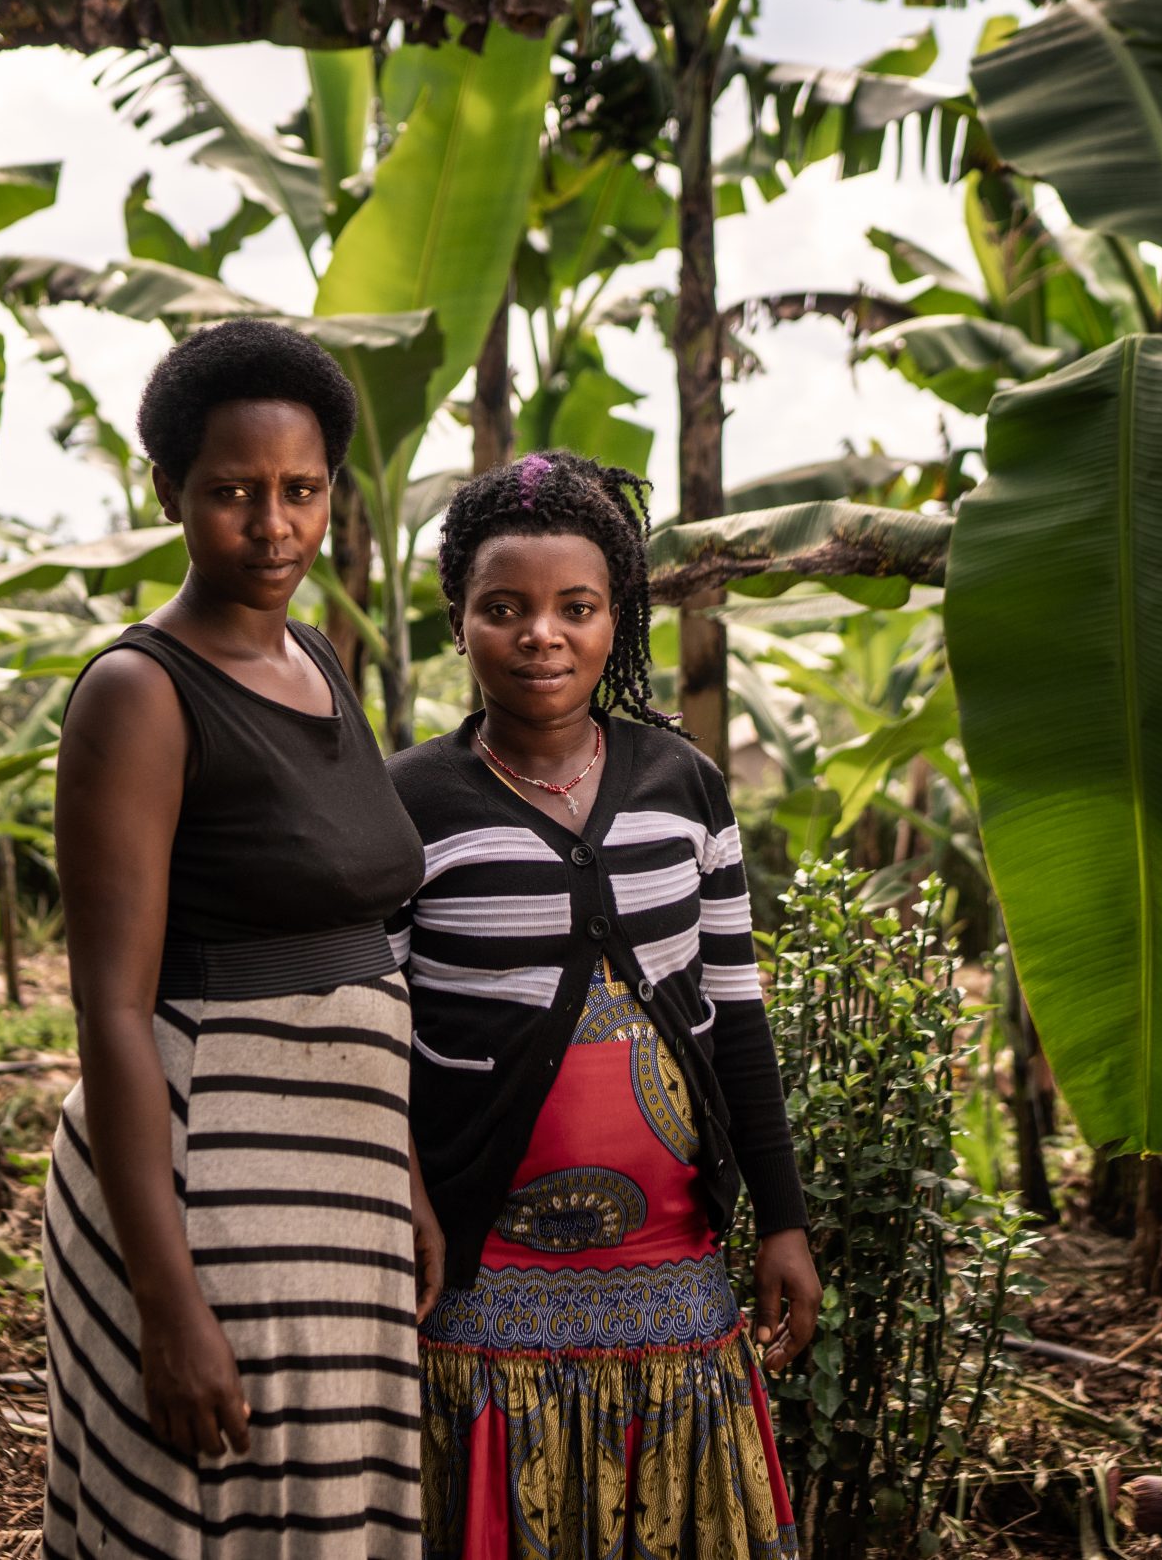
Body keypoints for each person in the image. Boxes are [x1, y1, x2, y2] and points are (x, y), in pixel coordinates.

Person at [45, 319, 440, 1559]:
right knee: (220, 1519)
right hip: (213, 1188)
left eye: (301, 491)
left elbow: (358, 934)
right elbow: (113, 1009)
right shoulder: (140, 692)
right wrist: (168, 1306)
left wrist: (404, 1175)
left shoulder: (317, 659)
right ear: (168, 492)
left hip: (343, 1187)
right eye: (231, 493)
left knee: (328, 1520)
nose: (273, 527)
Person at [388, 450, 821, 1560]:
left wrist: (782, 1218)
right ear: (457, 619)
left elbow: (737, 1016)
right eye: (504, 607)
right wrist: (409, 1202)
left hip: (673, 1269)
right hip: (480, 1273)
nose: (542, 633)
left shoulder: (684, 784)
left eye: (575, 608)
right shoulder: (405, 804)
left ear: (616, 618)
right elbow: (375, 1032)